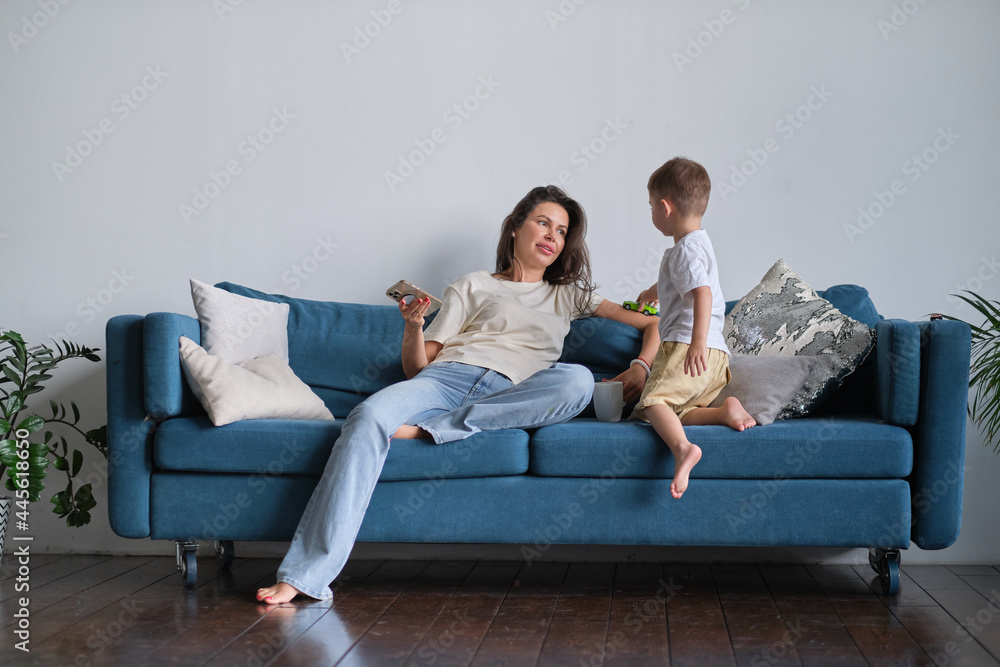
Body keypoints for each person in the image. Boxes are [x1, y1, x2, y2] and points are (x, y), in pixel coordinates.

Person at [257, 185, 661, 604]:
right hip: (444, 379)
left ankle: (432, 430)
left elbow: (653, 324)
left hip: (513, 392)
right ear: (515, 229)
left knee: (577, 381)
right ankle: (305, 576)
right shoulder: (472, 285)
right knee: (366, 417)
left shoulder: (569, 292)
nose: (552, 236)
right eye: (543, 223)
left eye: (561, 231)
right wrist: (413, 327)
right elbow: (418, 368)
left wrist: (640, 365)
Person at [632, 157, 756, 500]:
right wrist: (653, 291)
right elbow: (693, 283)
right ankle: (723, 411)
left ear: (665, 207)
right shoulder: (699, 244)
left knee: (652, 403)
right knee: (679, 411)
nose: (652, 214)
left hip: (687, 347)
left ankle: (683, 450)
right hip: (716, 356)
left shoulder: (683, 251)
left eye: (651, 207)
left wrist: (696, 342)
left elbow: (701, 293)